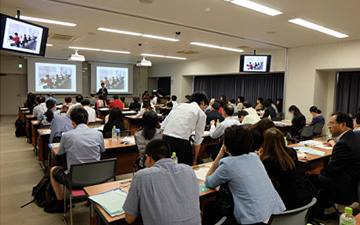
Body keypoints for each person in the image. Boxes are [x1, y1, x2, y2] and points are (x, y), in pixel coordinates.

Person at [203, 125, 285, 225]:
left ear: (226, 145)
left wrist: (219, 156)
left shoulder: (228, 164)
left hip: (254, 220)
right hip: (276, 215)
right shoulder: (254, 157)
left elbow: (208, 182)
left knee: (210, 208)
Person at [123, 140, 201, 225]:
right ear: (171, 157)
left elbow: (129, 218)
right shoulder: (189, 170)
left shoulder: (142, 176)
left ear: (148, 158)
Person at [45, 107, 105, 213]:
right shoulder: (98, 134)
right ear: (87, 121)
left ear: (72, 122)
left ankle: (60, 203)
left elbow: (59, 153)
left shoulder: (67, 136)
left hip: (75, 181)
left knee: (53, 170)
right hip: (97, 177)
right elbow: (102, 150)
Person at [311, 112, 360, 218]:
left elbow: (331, 171)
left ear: (343, 124)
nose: (329, 126)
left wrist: (317, 168)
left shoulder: (344, 143)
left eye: (332, 123)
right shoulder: (353, 137)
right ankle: (327, 206)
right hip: (353, 178)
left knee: (310, 177)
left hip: (343, 182)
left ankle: (322, 209)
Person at [260, 127, 317, 212]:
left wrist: (261, 158)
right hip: (308, 192)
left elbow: (263, 180)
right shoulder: (291, 151)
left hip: (291, 200)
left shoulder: (269, 160)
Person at [162, 91, 208, 166]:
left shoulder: (178, 106)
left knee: (166, 166)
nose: (204, 109)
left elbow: (163, 127)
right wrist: (194, 160)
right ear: (202, 103)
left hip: (166, 139)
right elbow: (198, 140)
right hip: (181, 143)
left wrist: (163, 143)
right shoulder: (200, 113)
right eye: (204, 107)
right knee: (184, 168)